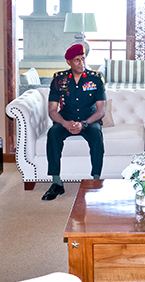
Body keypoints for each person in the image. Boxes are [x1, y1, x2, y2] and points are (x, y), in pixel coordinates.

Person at [43, 43, 106, 201]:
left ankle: (96, 179)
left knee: (96, 133)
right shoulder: (59, 79)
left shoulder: (95, 78)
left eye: (83, 58)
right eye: (77, 60)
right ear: (69, 62)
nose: (81, 63)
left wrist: (84, 124)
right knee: (53, 133)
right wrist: (65, 123)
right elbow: (52, 110)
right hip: (66, 118)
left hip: (89, 119)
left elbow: (101, 111)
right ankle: (56, 182)